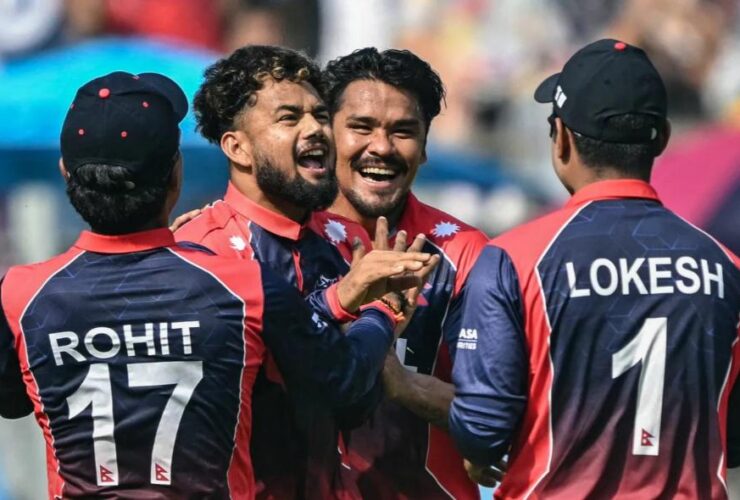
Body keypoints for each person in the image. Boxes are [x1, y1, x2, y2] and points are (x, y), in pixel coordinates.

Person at [0, 71, 423, 499]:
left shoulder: (19, 294)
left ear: (65, 173)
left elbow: (12, 401)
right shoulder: (243, 286)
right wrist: (381, 310)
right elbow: (345, 381)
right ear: (176, 176)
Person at [449, 39, 740, 498]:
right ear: (662, 139)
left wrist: (403, 384)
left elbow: (482, 430)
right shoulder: (726, 265)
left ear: (561, 138)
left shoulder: (513, 258)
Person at [174, 45, 438, 498]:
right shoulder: (202, 250)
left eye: (319, 114)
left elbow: (353, 399)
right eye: (289, 117)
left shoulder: (341, 243)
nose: (316, 129)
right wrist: (352, 304)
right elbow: (276, 373)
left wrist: (383, 316)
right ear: (237, 147)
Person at [310, 47, 488, 499]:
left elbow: (493, 412)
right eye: (361, 127)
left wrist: (400, 382)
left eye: (403, 131)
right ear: (326, 135)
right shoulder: (283, 243)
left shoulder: (464, 253)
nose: (382, 148)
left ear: (425, 148)